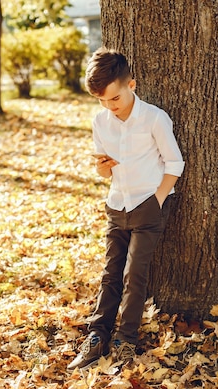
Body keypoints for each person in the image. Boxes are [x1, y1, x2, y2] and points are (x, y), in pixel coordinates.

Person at [67, 48, 185, 370]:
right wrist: (103, 170)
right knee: (110, 273)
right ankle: (97, 336)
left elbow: (175, 163)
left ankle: (125, 340)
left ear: (130, 85)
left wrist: (157, 200)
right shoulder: (101, 121)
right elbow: (104, 168)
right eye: (102, 101)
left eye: (114, 99)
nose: (110, 107)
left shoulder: (154, 118)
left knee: (135, 274)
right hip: (116, 203)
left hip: (148, 204)